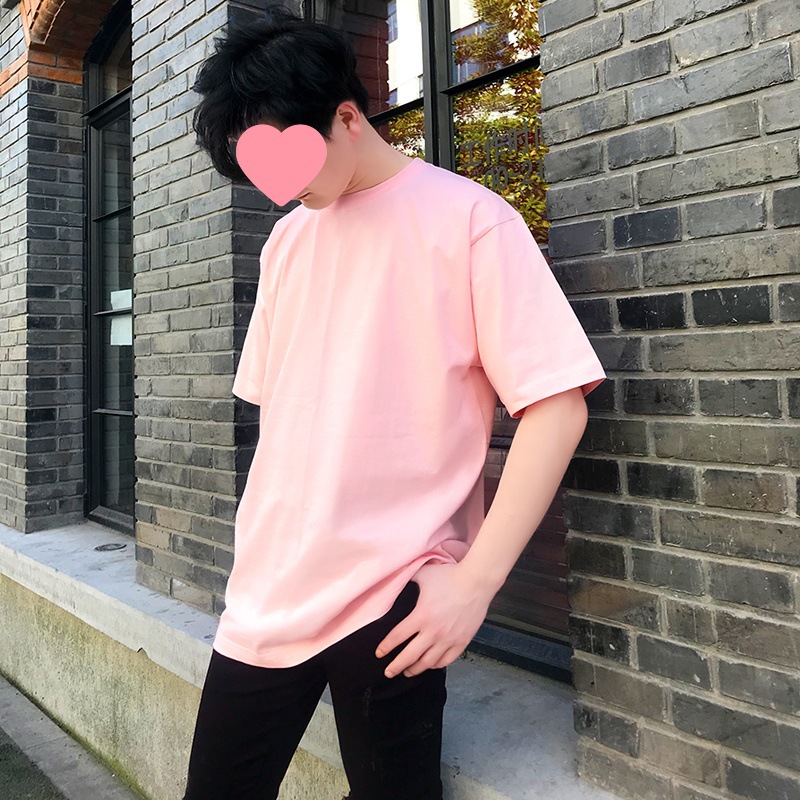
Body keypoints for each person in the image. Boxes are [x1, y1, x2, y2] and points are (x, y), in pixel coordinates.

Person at [186, 4, 607, 799]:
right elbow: (283, 415)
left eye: (290, 162)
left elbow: (558, 405)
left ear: (348, 117)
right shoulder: (287, 242)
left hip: (395, 592)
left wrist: (476, 584)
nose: (281, 191)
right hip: (270, 584)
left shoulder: (471, 219)